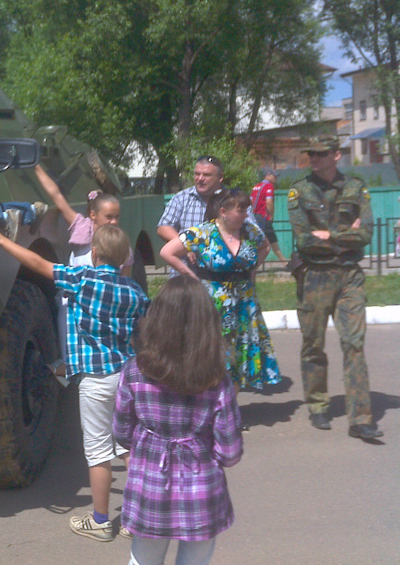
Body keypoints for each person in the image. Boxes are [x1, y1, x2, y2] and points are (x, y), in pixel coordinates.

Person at [0, 220, 148, 542]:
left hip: (95, 381)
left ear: (94, 252)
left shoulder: (82, 280)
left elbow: (37, 263)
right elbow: (142, 335)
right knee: (127, 446)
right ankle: (137, 519)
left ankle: (100, 521)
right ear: (125, 257)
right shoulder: (134, 292)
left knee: (98, 453)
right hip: (127, 378)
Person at [114, 276, 244, 565]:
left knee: (143, 559)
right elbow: (230, 451)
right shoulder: (216, 378)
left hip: (149, 484)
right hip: (200, 489)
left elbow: (122, 431)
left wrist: (143, 446)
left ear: (157, 319)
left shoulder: (135, 371)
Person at [288, 135, 382, 440]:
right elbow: (304, 240)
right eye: (311, 154)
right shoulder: (300, 190)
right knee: (313, 345)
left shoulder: (356, 187)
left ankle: (361, 419)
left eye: (321, 154)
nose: (314, 159)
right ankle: (317, 405)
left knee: (354, 344)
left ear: (336, 155)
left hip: (348, 276)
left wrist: (329, 235)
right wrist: (345, 234)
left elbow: (366, 233)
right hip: (314, 275)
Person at [159, 188, 281, 393]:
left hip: (244, 303)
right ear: (223, 212)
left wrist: (251, 270)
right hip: (213, 304)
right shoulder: (202, 233)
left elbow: (265, 246)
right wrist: (191, 276)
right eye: (240, 210)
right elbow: (167, 252)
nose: (245, 215)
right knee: (213, 352)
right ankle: (210, 402)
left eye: (246, 210)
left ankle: (231, 405)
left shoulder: (249, 231)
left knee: (240, 354)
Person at [34, 163, 133, 382]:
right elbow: (56, 196)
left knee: (99, 358)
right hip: (73, 304)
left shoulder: (120, 244)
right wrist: (37, 167)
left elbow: (125, 282)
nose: (114, 222)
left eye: (117, 217)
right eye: (109, 217)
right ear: (93, 215)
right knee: (72, 347)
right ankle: (70, 368)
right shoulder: (81, 227)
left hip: (102, 307)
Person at [250, 167, 285, 261]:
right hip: (264, 217)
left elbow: (251, 201)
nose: (276, 178)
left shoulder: (255, 187)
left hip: (254, 217)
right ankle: (284, 262)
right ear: (267, 175)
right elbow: (269, 202)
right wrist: (271, 216)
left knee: (259, 241)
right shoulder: (269, 186)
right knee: (271, 240)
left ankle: (284, 261)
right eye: (274, 176)